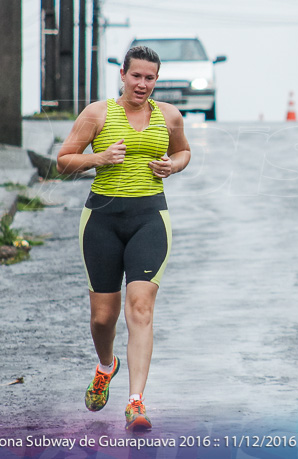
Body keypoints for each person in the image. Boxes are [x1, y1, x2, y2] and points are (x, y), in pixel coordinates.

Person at [56, 45, 191, 432]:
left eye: (150, 78)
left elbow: (184, 153)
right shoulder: (98, 113)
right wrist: (97, 159)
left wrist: (173, 165)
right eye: (137, 76)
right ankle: (105, 365)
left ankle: (136, 402)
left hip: (150, 217)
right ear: (123, 75)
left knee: (141, 307)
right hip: (102, 219)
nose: (143, 84)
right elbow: (65, 159)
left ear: (156, 80)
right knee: (103, 317)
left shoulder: (169, 116)